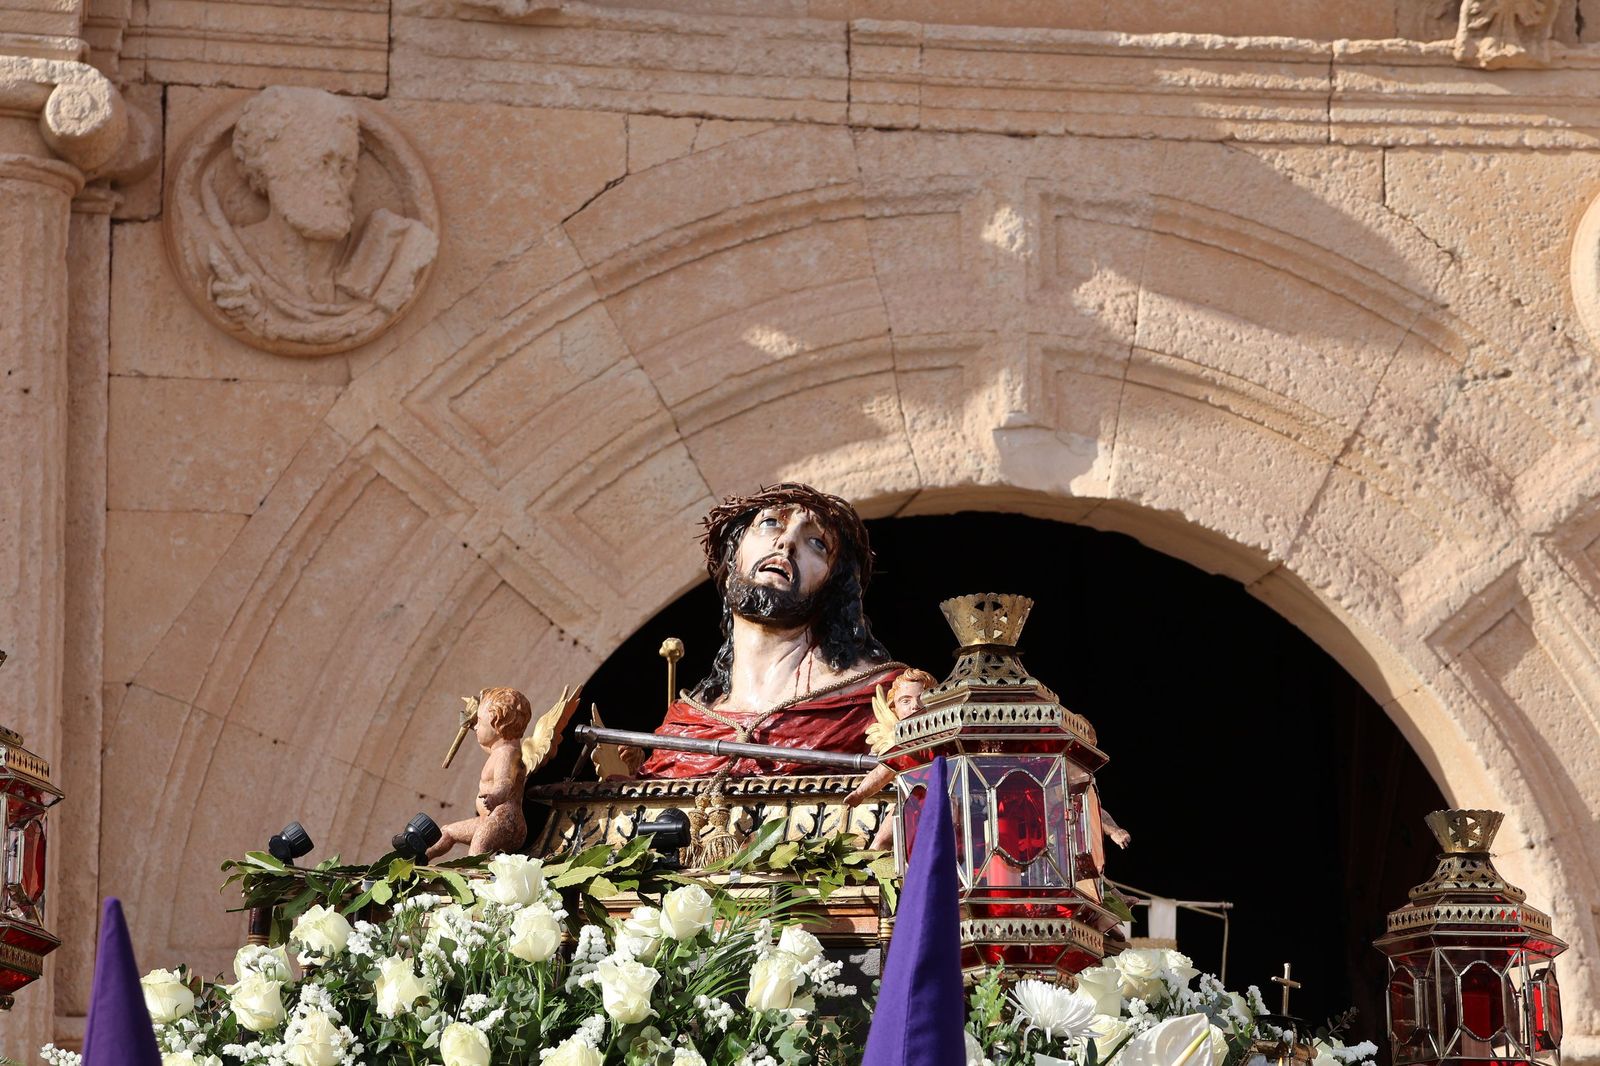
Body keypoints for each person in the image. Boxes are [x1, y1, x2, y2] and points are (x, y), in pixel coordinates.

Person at [637, 483, 907, 778]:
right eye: (769, 523)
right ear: (731, 560)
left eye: (817, 543)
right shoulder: (687, 725)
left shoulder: (880, 701)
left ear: (832, 588)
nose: (787, 542)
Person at [204, 86, 437, 347]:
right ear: (266, 165)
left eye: (345, 167)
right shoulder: (231, 256)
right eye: (321, 163)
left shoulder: (388, 252)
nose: (334, 184)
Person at [427, 687, 532, 858]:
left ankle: (475, 874)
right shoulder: (498, 749)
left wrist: (495, 797)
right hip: (489, 820)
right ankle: (423, 857)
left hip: (506, 822)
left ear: (497, 726)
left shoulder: (507, 754)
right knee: (448, 832)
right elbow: (486, 741)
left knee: (478, 846)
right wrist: (471, 723)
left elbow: (505, 782)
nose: (476, 727)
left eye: (480, 722)